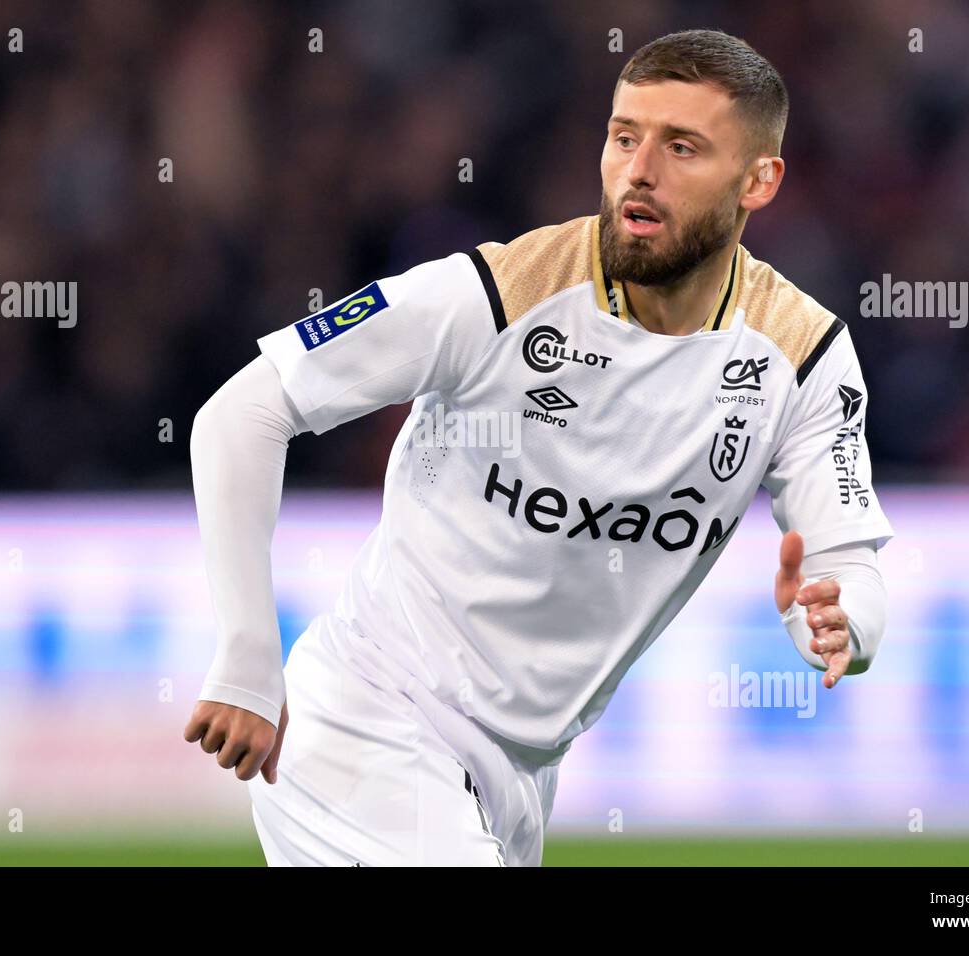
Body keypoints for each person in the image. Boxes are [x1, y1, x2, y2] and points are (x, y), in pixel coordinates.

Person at [184, 28, 892, 866]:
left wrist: (843, 621)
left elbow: (848, 565)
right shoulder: (496, 294)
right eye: (624, 137)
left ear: (758, 180)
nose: (639, 169)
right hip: (368, 722)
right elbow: (241, 414)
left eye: (681, 147)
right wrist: (246, 657)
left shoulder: (801, 356)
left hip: (519, 778)